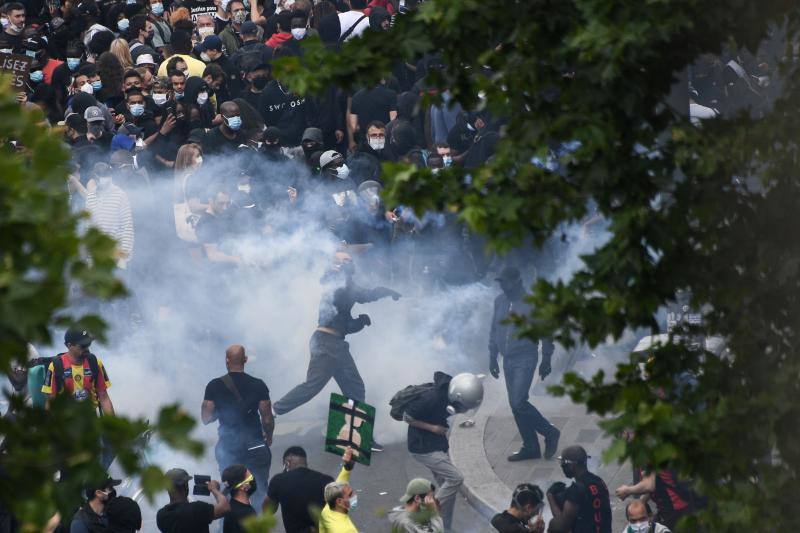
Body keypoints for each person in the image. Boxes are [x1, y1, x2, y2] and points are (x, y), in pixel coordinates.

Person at [272, 252, 401, 440]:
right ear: (336, 265)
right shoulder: (337, 281)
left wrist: (360, 322)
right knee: (313, 386)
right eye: (344, 260)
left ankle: (355, 438)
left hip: (334, 344)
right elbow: (366, 295)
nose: (350, 263)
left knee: (354, 388)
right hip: (327, 344)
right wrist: (386, 292)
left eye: (350, 260)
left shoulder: (342, 284)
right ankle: (272, 411)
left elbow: (343, 325)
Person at [489, 266, 560, 461]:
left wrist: (546, 359)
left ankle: (550, 433)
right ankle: (531, 447)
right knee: (515, 405)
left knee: (518, 402)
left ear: (516, 282)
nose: (502, 286)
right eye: (500, 283)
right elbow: (494, 330)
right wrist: (492, 356)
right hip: (507, 359)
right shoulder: (499, 301)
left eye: (505, 283)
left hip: (525, 357)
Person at [202, 344, 274, 509]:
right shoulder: (258, 384)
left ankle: (231, 520)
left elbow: (206, 418)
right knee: (259, 489)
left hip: (229, 447)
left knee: (231, 490)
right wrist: (269, 436)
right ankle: (257, 520)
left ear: (226, 360)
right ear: (245, 360)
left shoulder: (214, 386)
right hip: (255, 445)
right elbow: (267, 419)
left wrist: (222, 411)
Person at [401, 371, 463, 532]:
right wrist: (433, 428)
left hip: (436, 444)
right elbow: (407, 417)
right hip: (422, 447)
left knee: (448, 488)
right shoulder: (430, 398)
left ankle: (444, 528)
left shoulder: (448, 396)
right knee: (455, 478)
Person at [265, 446, 355, 533]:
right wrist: (347, 469)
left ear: (287, 462)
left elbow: (268, 510)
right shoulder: (326, 480)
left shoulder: (279, 480)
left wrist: (279, 482)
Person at [42, 329, 113, 416]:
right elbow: (51, 401)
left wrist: (112, 422)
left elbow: (104, 397)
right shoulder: (55, 366)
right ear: (69, 345)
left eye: (88, 344)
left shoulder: (95, 363)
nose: (86, 348)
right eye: (82, 346)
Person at [547, 445, 612, 533]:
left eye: (563, 463)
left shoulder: (576, 490)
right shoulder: (599, 481)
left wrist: (550, 497)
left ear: (571, 466)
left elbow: (562, 525)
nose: (562, 466)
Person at [84, 162, 136, 269]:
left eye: (107, 175)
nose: (105, 178)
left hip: (115, 255)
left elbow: (127, 228)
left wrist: (122, 257)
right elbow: (88, 226)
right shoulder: (91, 197)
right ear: (96, 177)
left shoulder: (120, 195)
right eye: (102, 175)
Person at [156, 468, 229, 533]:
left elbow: (180, 516)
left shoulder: (161, 516)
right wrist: (214, 489)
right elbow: (225, 507)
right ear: (185, 486)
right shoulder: (196, 509)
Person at [615, 470, 694, 530]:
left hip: (674, 509)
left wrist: (627, 490)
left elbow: (648, 485)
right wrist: (640, 501)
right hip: (678, 506)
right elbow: (656, 483)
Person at [319, 451, 358, 533]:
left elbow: (339, 484)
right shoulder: (347, 530)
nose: (354, 495)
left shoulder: (327, 511)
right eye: (350, 495)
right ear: (339, 501)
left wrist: (347, 468)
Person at [221, 464, 257, 533]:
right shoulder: (247, 516)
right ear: (242, 487)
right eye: (250, 478)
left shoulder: (231, 506)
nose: (253, 479)